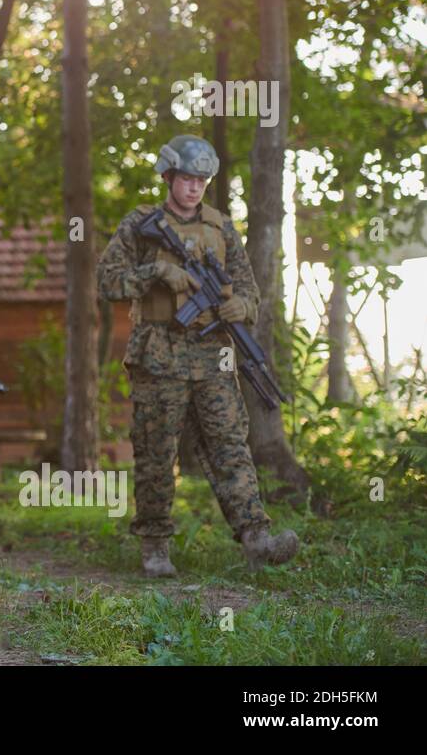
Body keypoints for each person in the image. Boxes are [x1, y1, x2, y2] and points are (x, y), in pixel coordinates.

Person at [97, 134, 299, 576]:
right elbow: (107, 282)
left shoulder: (221, 226)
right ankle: (154, 546)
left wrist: (241, 307)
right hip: (158, 356)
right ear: (168, 176)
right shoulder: (141, 224)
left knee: (230, 446)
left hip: (213, 358)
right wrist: (158, 273)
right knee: (155, 452)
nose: (194, 187)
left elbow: (248, 287)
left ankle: (256, 538)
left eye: (202, 180)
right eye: (187, 178)